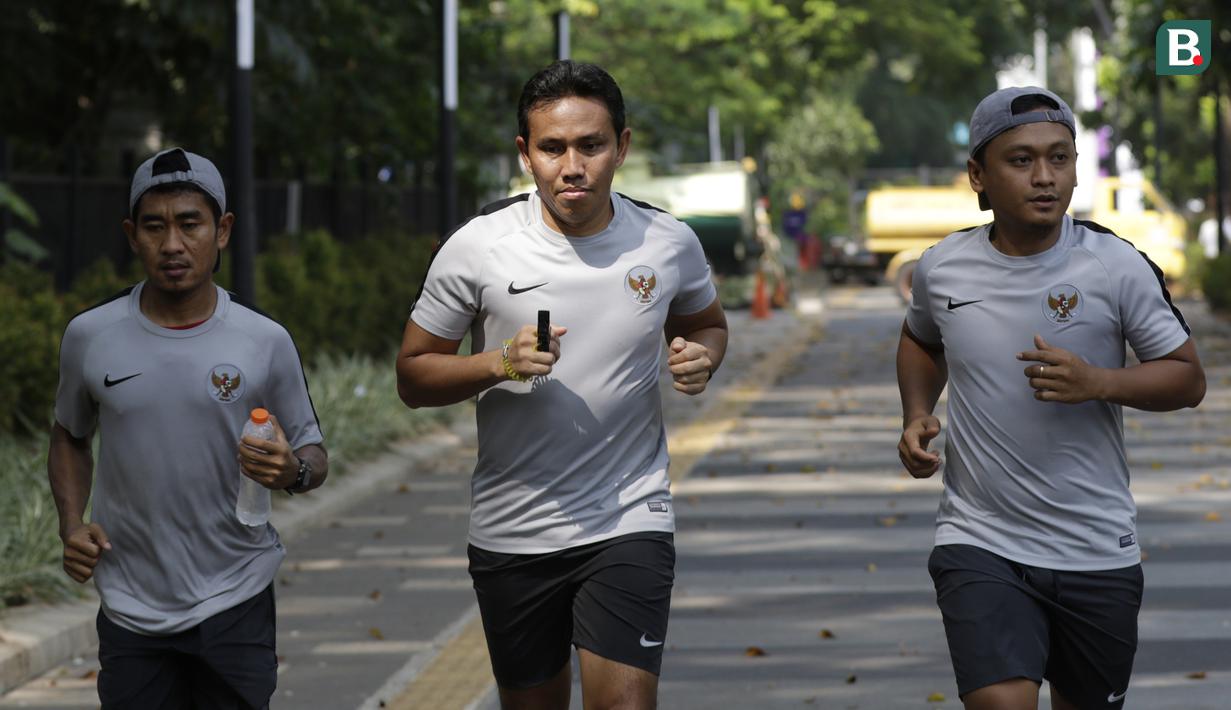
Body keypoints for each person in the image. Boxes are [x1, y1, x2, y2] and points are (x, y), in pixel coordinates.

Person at [396, 60, 728, 710]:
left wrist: (702, 356)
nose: (571, 166)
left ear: (621, 147)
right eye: (552, 148)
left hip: (629, 513)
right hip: (512, 529)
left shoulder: (666, 241)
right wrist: (498, 363)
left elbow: (704, 322)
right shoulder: (478, 247)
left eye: (590, 145)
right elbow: (413, 375)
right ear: (525, 154)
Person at [895, 87, 1205, 710]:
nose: (1044, 177)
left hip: (1095, 545)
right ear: (978, 176)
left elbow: (1186, 377)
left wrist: (1101, 382)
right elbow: (920, 338)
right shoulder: (943, 267)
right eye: (1021, 160)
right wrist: (916, 413)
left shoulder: (1115, 266)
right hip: (980, 541)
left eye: (1059, 158)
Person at [49, 147, 328, 710]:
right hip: (131, 604)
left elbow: (313, 453)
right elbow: (69, 436)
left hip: (236, 595)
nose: (172, 244)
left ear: (222, 231)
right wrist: (71, 525)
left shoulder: (263, 340)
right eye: (154, 226)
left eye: (189, 224)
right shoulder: (90, 336)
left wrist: (292, 470)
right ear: (132, 235)